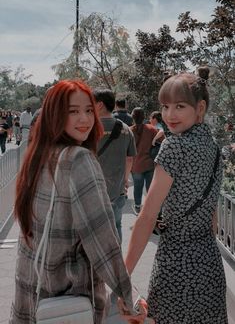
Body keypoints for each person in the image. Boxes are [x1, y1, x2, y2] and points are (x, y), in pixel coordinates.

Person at [10, 80, 146, 324]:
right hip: (67, 299)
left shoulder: (38, 155)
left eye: (88, 110)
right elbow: (102, 240)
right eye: (73, 111)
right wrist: (128, 295)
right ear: (55, 115)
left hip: (31, 294)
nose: (84, 119)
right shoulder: (78, 159)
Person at [122, 67, 228, 323]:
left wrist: (123, 277)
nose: (170, 114)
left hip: (176, 264)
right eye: (165, 106)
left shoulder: (174, 146)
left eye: (179, 106)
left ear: (200, 108)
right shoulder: (214, 149)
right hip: (209, 263)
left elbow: (147, 216)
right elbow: (212, 215)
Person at [93, 88, 136, 242]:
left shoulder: (89, 128)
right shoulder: (125, 130)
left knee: (94, 229)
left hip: (92, 191)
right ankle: (116, 259)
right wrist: (124, 180)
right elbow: (129, 159)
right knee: (117, 225)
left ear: (99, 105)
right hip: (117, 190)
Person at [130, 108, 158, 215]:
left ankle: (137, 207)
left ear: (132, 117)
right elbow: (162, 141)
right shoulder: (151, 129)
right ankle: (151, 209)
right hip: (150, 164)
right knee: (150, 187)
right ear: (144, 116)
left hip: (136, 165)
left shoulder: (129, 130)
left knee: (137, 187)